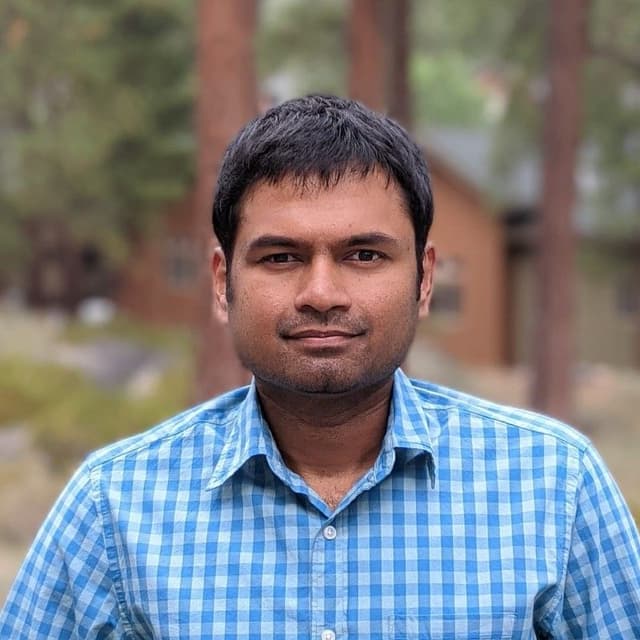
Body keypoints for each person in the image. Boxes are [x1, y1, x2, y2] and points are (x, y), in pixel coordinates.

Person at [2, 95, 639, 639]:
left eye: (364, 255)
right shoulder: (114, 507)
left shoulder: (553, 486)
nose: (322, 293)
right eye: (281, 257)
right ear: (223, 282)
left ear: (424, 280)